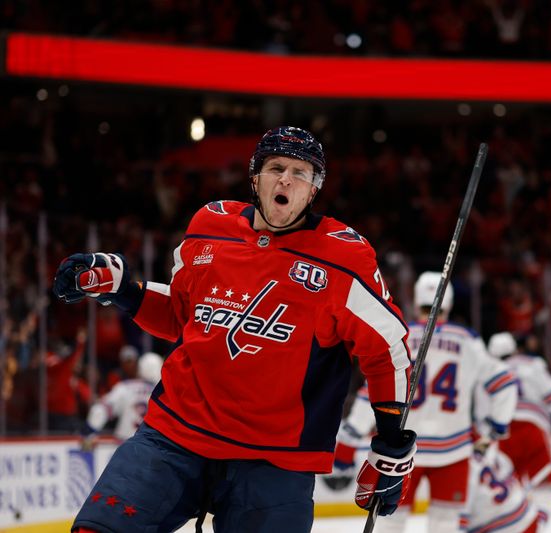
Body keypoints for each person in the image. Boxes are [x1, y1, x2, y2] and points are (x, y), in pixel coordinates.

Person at [53, 126, 416, 533]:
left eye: (301, 173)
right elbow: (180, 313)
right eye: (275, 167)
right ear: (254, 176)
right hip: (175, 435)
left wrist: (390, 443)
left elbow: (387, 352)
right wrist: (121, 290)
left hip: (275, 460)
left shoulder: (344, 257)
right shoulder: (210, 225)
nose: (286, 180)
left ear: (314, 190)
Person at [329, 272, 517, 533]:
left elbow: (375, 388)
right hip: (454, 448)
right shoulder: (467, 340)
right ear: (449, 303)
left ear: (416, 301)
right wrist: (496, 426)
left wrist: (349, 440)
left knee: (390, 521)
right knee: (445, 524)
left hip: (402, 448)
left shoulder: (400, 333)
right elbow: (504, 382)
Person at [487, 332, 551, 532]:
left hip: (501, 432)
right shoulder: (533, 364)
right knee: (545, 488)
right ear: (515, 349)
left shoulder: (487, 371)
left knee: (503, 488)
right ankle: (537, 526)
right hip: (532, 429)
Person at [83, 352, 164, 445]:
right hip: (152, 448)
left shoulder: (125, 388)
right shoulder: (164, 393)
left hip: (125, 446)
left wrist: (90, 432)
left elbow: (100, 410)